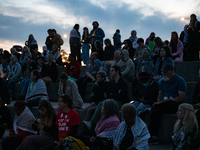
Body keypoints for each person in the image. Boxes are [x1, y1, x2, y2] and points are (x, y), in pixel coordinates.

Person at [148, 64, 187, 144]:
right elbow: (159, 94)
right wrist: (159, 102)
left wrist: (169, 100)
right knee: (155, 109)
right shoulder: (162, 81)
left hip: (175, 104)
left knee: (167, 104)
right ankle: (153, 135)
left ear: (172, 72)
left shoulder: (180, 81)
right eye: (163, 72)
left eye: (166, 72)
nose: (164, 74)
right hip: (163, 104)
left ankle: (154, 136)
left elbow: (181, 97)